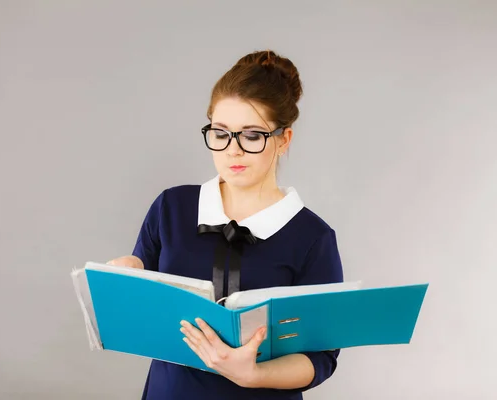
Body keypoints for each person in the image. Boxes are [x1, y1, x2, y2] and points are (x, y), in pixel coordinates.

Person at [107, 49, 344, 400]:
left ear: (283, 140)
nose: (232, 150)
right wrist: (129, 269)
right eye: (220, 133)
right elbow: (145, 286)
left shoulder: (312, 237)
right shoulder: (172, 207)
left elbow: (321, 358)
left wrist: (254, 374)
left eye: (251, 135)